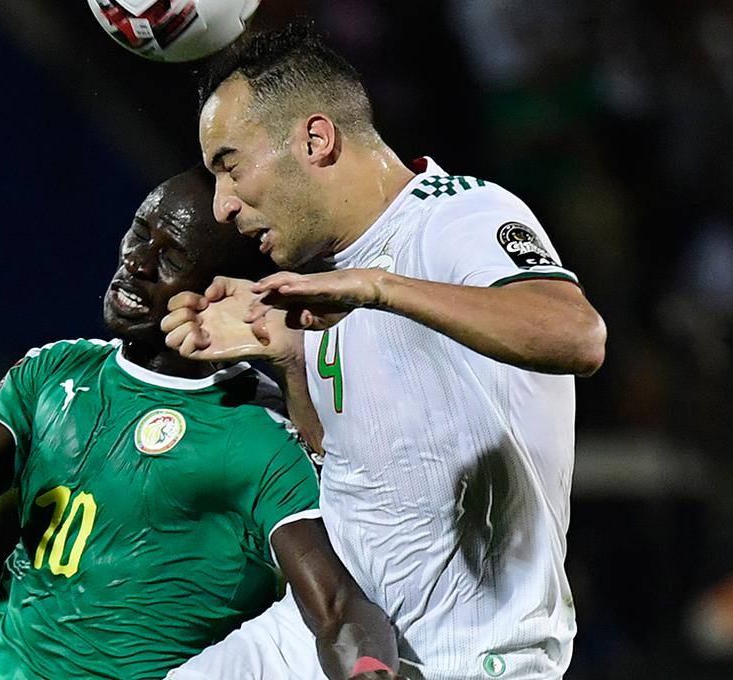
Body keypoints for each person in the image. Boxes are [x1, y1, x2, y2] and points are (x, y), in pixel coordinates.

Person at [162, 24, 608, 680]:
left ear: (315, 139)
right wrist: (288, 359)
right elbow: (347, 469)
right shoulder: (323, 277)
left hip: (470, 660)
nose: (223, 206)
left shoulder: (459, 215)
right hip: (334, 640)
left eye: (230, 166)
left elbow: (577, 334)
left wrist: (380, 288)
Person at [0, 167, 400, 680]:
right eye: (140, 231)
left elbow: (336, 606)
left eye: (172, 256)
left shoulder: (257, 431)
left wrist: (366, 670)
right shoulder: (53, 373)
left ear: (220, 286)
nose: (137, 261)